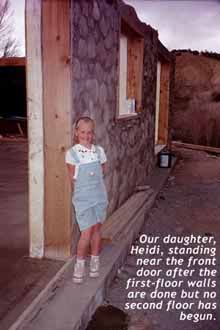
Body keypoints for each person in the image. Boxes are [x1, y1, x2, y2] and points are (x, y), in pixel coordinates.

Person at [65, 117, 108, 284]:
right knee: (86, 232)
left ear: (93, 134)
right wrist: (79, 197)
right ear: (77, 133)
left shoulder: (99, 151)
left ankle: (95, 260)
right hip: (83, 199)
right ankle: (80, 265)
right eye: (82, 132)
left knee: (97, 229)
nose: (86, 135)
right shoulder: (72, 153)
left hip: (99, 196)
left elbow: (102, 171)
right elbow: (72, 178)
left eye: (89, 132)